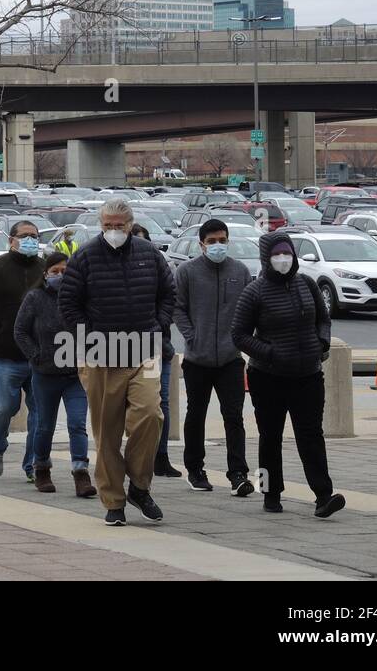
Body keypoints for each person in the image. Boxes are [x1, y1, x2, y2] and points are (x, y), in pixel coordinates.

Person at [58, 197, 173, 527]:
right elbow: (69, 304)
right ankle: (114, 500)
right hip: (101, 355)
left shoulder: (149, 254)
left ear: (130, 224)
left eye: (118, 226)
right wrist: (89, 336)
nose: (112, 231)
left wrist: (159, 324)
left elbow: (169, 292)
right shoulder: (85, 257)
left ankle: (139, 485)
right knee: (107, 432)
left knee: (151, 414)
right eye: (107, 225)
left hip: (144, 349)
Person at [232, 231, 345, 518]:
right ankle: (270, 493)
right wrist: (268, 352)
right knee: (270, 436)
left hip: (307, 374)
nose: (283, 259)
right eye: (276, 254)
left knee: (311, 435)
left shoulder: (306, 283)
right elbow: (239, 335)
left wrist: (322, 341)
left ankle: (323, 495)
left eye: (287, 253)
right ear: (266, 258)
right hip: (268, 377)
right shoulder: (254, 291)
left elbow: (323, 318)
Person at [173, 218, 253, 495]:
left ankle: (238, 474)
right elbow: (177, 308)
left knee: (234, 416)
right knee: (196, 414)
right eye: (212, 241)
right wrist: (192, 335)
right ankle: (195, 469)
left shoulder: (240, 271)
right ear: (202, 244)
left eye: (222, 240)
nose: (217, 246)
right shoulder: (187, 272)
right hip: (197, 359)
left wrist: (242, 338)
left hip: (231, 359)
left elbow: (248, 309)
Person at [15, 251, 97, 497]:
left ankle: (81, 473)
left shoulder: (80, 299)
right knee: (44, 426)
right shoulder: (35, 298)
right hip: (45, 374)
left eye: (65, 272)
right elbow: (20, 331)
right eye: (55, 272)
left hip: (75, 375)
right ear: (45, 274)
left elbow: (92, 329)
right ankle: (42, 469)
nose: (60, 276)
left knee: (77, 424)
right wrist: (36, 354)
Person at [0, 220, 46, 480]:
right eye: (25, 236)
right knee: (3, 408)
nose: (30, 240)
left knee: (40, 414)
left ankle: (35, 464)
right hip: (5, 354)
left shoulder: (44, 268)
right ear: (12, 240)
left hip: (39, 357)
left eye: (34, 236)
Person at [131, 223, 180, 479]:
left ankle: (161, 456)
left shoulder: (161, 266)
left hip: (158, 347)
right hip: (124, 349)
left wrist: (159, 324)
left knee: (160, 403)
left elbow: (170, 299)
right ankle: (134, 456)